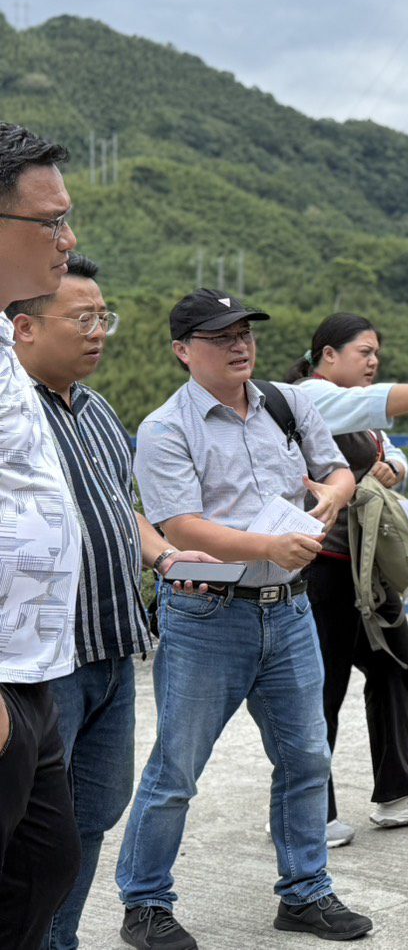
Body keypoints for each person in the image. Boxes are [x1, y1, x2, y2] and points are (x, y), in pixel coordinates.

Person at [120, 289, 372, 948]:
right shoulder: (165, 428)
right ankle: (145, 902)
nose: (240, 345)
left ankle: (306, 891)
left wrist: (333, 495)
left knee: (307, 758)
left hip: (289, 610)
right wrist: (268, 547)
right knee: (177, 770)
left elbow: (338, 470)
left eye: (245, 333)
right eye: (220, 336)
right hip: (207, 614)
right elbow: (180, 527)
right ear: (182, 351)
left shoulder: (285, 404)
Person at [7, 254, 217, 950]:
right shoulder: (13, 416)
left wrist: (163, 554)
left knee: (91, 815)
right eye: (82, 318)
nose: (99, 332)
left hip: (113, 646)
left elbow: (118, 507)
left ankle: (59, 939)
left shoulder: (96, 410)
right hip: (45, 659)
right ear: (24, 327)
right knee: (31, 829)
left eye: (104, 317)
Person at [288, 313, 408, 843]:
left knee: (394, 664)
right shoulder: (308, 396)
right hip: (324, 564)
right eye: (364, 352)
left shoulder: (357, 409)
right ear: (328, 355)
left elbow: (387, 449)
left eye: (377, 353)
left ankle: (399, 791)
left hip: (368, 567)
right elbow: (373, 406)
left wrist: (393, 467)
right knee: (323, 685)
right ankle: (307, 810)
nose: (373, 361)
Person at [0, 123, 85, 950]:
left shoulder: (3, 338)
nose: (68, 238)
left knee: (46, 864)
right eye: (50, 221)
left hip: (30, 667)